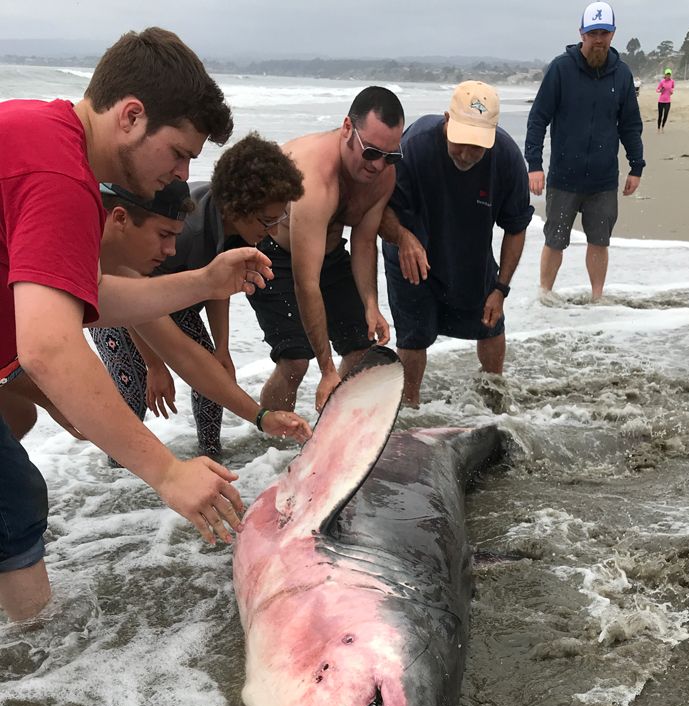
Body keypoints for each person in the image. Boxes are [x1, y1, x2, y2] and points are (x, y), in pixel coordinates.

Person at [0, 27, 277, 622]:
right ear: (130, 117)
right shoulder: (61, 177)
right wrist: (167, 473)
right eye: (177, 152)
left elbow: (87, 294)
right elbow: (49, 345)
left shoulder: (50, 140)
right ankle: (39, 678)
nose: (181, 177)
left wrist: (205, 282)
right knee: (16, 502)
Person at [93, 134, 306, 454]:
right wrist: (154, 365)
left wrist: (223, 350)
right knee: (132, 390)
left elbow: (216, 288)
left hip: (169, 289)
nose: (274, 231)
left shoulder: (240, 228)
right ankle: (118, 466)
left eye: (279, 220)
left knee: (211, 369)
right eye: (267, 221)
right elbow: (135, 299)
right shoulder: (182, 233)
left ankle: (211, 451)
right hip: (125, 294)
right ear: (240, 206)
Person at [248, 87, 404, 413]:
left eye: (391, 156)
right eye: (372, 152)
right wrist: (327, 370)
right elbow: (307, 283)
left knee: (361, 349)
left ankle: (332, 431)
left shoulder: (382, 175)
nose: (379, 166)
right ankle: (272, 441)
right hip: (274, 253)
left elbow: (363, 242)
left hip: (331, 255)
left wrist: (371, 305)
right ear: (347, 128)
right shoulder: (312, 179)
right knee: (296, 361)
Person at [379, 81, 533, 408]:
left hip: (469, 256)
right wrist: (403, 237)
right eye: (460, 142)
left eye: (477, 145)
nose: (466, 153)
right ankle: (409, 411)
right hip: (410, 254)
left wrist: (501, 288)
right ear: (447, 121)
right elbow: (379, 209)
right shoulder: (414, 147)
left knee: (489, 324)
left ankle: (495, 406)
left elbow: (516, 227)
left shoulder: (506, 159)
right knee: (413, 335)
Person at [525, 2, 645, 304]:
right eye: (593, 33)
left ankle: (597, 300)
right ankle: (544, 297)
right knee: (555, 241)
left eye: (604, 32)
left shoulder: (622, 75)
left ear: (613, 34)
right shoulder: (560, 69)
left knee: (599, 241)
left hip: (603, 181)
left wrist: (636, 166)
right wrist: (534, 164)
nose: (598, 39)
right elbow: (539, 117)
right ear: (582, 33)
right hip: (564, 177)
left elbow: (630, 124)